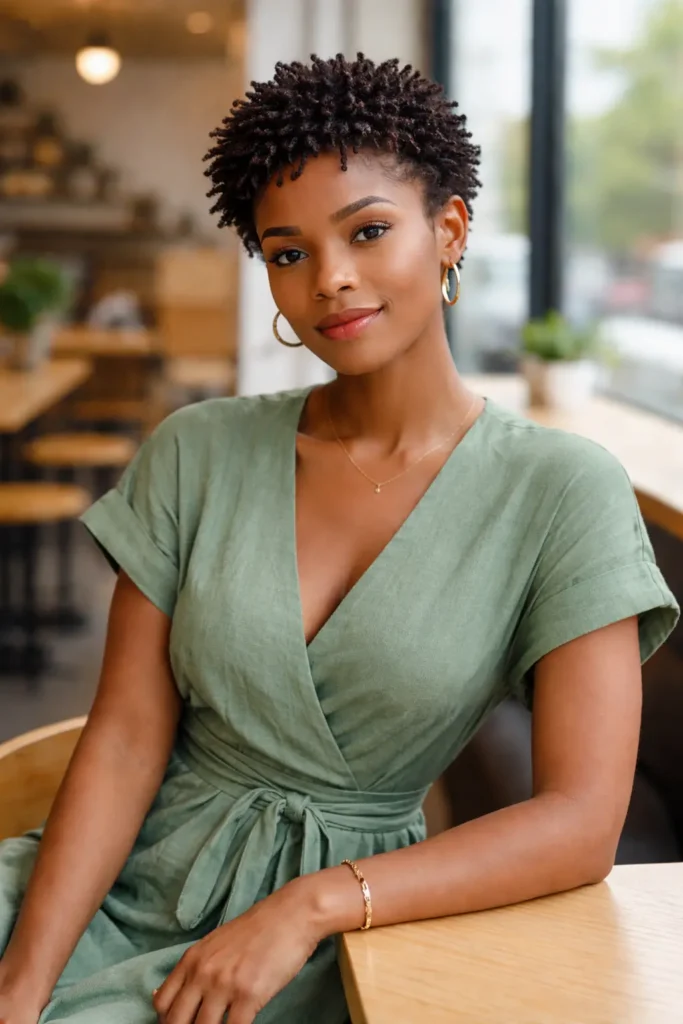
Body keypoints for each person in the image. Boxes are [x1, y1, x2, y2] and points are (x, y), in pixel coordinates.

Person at [0, 53, 679, 1024]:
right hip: (93, 889)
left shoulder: (559, 491)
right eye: (287, 252)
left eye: (366, 231)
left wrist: (314, 902)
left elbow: (578, 823)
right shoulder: (196, 450)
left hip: (337, 934)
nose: (331, 280)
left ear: (448, 231)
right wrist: (22, 986)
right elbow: (122, 740)